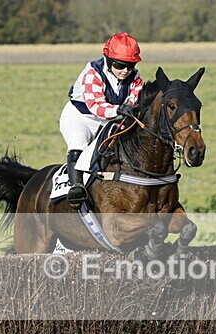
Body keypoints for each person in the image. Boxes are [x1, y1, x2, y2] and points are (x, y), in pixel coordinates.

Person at [59, 32, 144, 208]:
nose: (125, 71)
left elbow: (134, 101)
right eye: (120, 65)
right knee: (79, 143)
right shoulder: (92, 72)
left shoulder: (135, 78)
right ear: (108, 59)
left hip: (108, 120)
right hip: (80, 117)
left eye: (130, 66)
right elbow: (96, 106)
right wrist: (120, 109)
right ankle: (76, 189)